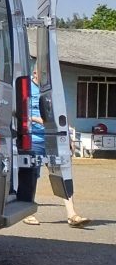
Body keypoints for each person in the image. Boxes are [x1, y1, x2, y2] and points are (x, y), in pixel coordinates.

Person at [22, 70, 90, 227]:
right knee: (31, 175)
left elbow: (60, 115)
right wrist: (35, 119)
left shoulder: (53, 90)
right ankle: (29, 212)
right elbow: (21, 112)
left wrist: (68, 137)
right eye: (43, 74)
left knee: (62, 173)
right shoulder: (25, 87)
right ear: (34, 73)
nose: (47, 77)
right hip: (33, 139)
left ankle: (72, 214)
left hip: (53, 137)